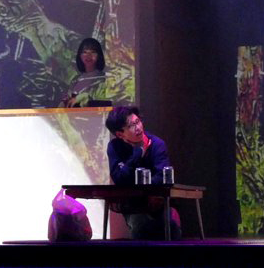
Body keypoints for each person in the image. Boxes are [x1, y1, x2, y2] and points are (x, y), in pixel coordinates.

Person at [105, 106, 181, 240]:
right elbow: (119, 179)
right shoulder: (115, 147)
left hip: (157, 201)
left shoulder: (157, 144)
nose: (138, 128)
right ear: (120, 134)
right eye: (131, 126)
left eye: (138, 121)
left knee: (171, 228)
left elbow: (162, 175)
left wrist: (148, 191)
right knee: (141, 226)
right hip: (132, 204)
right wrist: (137, 153)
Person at [62, 38, 107, 108]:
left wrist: (86, 98)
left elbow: (105, 104)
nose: (88, 55)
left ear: (99, 55)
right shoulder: (75, 79)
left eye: (93, 52)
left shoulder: (104, 79)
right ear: (80, 55)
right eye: (85, 52)